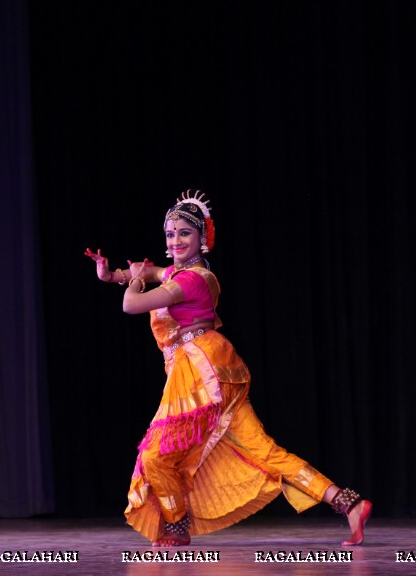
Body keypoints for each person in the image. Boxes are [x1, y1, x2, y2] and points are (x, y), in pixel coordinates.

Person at [86, 189, 371, 547]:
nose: (176, 240)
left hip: (201, 373)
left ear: (202, 238)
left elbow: (133, 304)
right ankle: (349, 504)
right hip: (218, 369)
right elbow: (153, 272)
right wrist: (111, 275)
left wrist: (137, 281)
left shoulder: (190, 281)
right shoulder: (183, 272)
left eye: (185, 233)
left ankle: (176, 526)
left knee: (156, 455)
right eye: (171, 234)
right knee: (264, 450)